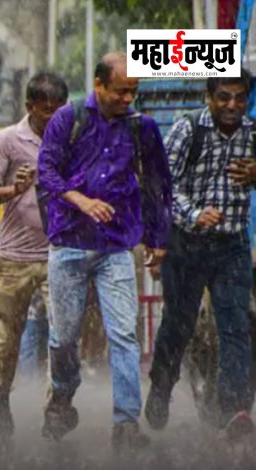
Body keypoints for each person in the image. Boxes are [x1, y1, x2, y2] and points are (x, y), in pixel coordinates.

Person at [36, 52, 172, 450]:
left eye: (134, 91)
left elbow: (158, 183)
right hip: (68, 244)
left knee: (125, 334)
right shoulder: (69, 118)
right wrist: (80, 200)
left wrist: (158, 237)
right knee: (64, 336)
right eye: (120, 91)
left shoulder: (141, 128)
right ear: (98, 85)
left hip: (116, 246)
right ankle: (62, 395)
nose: (128, 98)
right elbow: (46, 171)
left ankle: (126, 422)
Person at [146, 71, 256, 440]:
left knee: (236, 327)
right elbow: (163, 184)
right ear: (209, 96)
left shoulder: (252, 134)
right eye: (224, 97)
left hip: (232, 247)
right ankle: (161, 387)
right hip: (187, 244)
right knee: (178, 326)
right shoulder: (187, 129)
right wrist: (194, 214)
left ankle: (234, 410)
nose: (232, 106)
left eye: (240, 98)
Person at [0, 71, 68, 439]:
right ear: (29, 107)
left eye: (58, 110)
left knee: (63, 331)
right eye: (45, 110)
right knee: (9, 331)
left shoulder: (74, 138)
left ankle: (57, 404)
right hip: (15, 255)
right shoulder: (7, 141)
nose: (52, 117)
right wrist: (14, 189)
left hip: (61, 253)